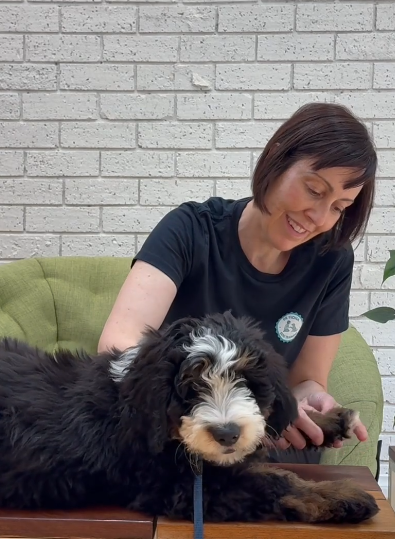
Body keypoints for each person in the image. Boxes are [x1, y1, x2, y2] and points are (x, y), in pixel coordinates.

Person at [97, 102, 376, 465]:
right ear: (275, 158)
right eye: (314, 190)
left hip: (262, 441)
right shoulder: (190, 230)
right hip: (178, 439)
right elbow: (118, 344)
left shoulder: (331, 259)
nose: (320, 217)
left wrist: (307, 399)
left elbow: (306, 379)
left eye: (340, 206)